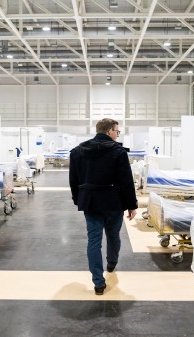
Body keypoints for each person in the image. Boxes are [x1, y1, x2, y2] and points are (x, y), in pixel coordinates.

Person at [69, 118, 138, 296]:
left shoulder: (78, 151)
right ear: (109, 132)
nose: (118, 134)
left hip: (90, 202)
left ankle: (98, 283)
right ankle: (111, 263)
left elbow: (74, 180)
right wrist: (131, 205)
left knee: (93, 240)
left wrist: (78, 199)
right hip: (113, 201)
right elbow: (126, 182)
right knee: (113, 234)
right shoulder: (118, 152)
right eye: (117, 131)